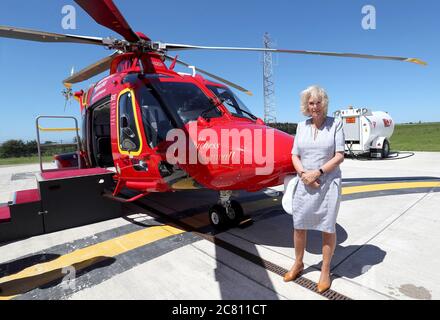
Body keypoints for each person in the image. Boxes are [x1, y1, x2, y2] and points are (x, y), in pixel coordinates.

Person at [283, 85, 345, 293]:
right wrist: (303, 174)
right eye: (311, 103)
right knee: (299, 225)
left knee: (328, 227)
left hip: (328, 183)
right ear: (306, 106)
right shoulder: (301, 127)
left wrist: (316, 173)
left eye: (318, 102)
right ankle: (298, 263)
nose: (315, 106)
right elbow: (294, 155)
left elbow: (339, 156)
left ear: (324, 104)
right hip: (305, 182)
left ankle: (325, 270)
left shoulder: (335, 124)